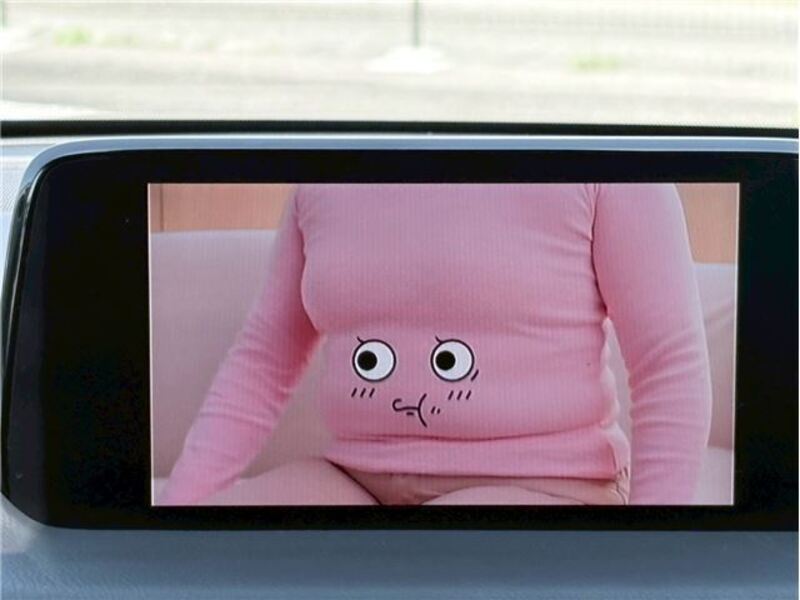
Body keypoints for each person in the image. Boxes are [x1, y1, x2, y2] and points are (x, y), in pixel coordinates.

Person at [158, 183, 711, 506]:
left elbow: (669, 363)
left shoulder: (603, 162)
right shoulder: (328, 168)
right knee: (208, 564)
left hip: (545, 483)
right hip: (354, 476)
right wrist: (174, 518)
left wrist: (655, 556)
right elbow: (266, 355)